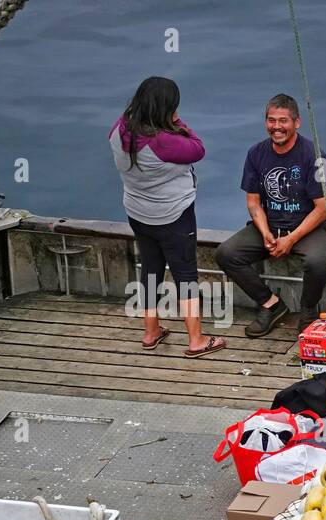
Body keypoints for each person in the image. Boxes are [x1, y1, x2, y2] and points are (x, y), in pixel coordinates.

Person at [109, 76, 225, 357]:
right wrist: (178, 123)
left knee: (150, 270)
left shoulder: (120, 129)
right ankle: (196, 340)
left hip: (138, 212)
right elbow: (198, 148)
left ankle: (151, 332)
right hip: (173, 216)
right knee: (185, 275)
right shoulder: (165, 143)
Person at [215, 93, 326, 338]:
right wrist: (265, 232)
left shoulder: (315, 156)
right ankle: (271, 304)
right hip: (270, 226)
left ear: (296, 122)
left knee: (318, 262)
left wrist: (291, 239)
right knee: (226, 253)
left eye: (283, 121)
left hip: (307, 229)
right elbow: (253, 202)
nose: (276, 127)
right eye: (271, 120)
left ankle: (308, 310)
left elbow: (323, 208)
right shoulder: (255, 153)